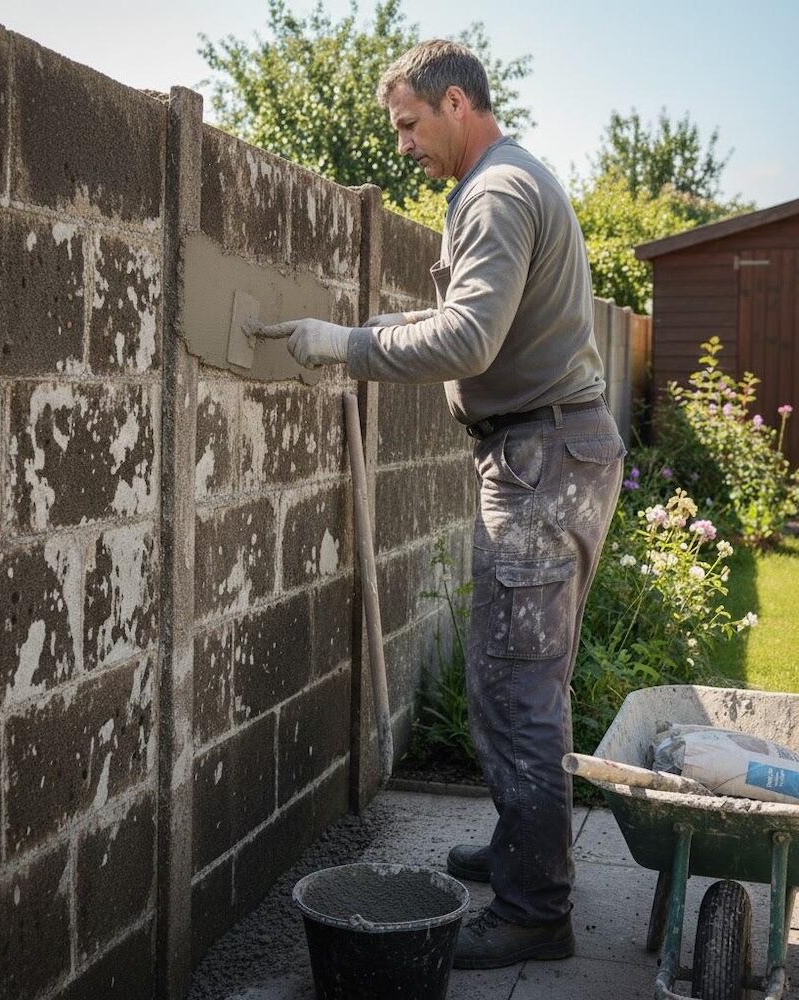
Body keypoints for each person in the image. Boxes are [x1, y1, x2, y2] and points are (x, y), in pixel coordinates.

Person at [257, 38, 625, 970]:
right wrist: (377, 329)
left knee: (514, 686)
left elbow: (468, 338)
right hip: (547, 449)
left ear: (456, 102)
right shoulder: (510, 179)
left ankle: (535, 910)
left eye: (410, 124)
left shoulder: (496, 192)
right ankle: (518, 854)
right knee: (520, 678)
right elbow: (475, 324)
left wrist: (347, 343)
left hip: (542, 461)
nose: (404, 145)